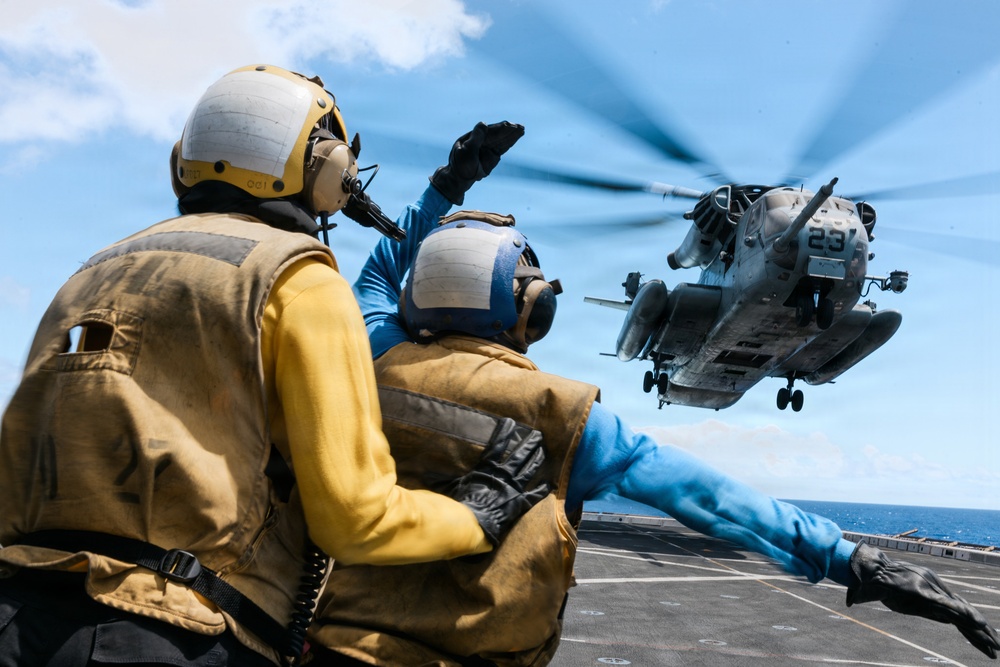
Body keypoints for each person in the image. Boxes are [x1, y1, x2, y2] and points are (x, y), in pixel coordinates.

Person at [306, 122, 1000, 665]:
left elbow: (381, 269)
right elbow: (718, 500)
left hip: (334, 650)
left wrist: (445, 187)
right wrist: (854, 558)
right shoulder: (571, 416)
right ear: (532, 309)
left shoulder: (375, 351)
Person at [0, 66, 545, 667]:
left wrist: (447, 185)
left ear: (184, 158)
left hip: (16, 614)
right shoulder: (298, 278)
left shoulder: (90, 274)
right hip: (173, 632)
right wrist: (478, 514)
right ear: (331, 166)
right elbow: (355, 521)